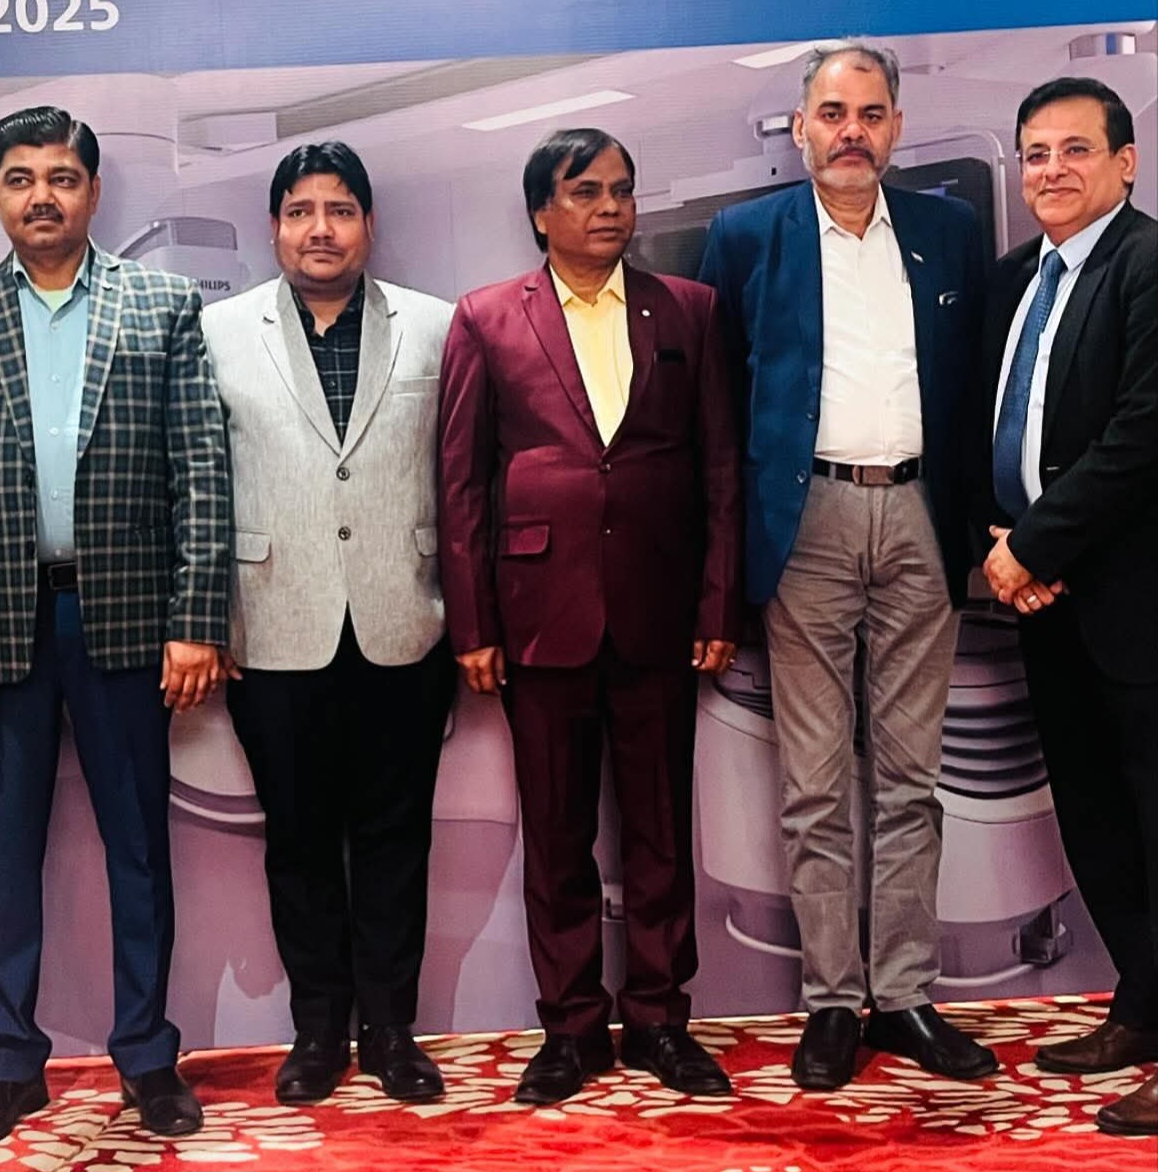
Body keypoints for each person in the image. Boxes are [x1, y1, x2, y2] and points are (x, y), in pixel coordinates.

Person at [0, 106, 229, 1153]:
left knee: (139, 847)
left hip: (129, 621)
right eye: (20, 178)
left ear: (92, 190)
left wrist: (196, 620)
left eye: (61, 177)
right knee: (4, 855)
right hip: (0, 632)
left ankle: (147, 1055)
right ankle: (9, 1062)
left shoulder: (162, 304)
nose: (41, 195)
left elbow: (200, 471)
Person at [698, 42, 996, 1089]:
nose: (852, 132)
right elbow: (717, 406)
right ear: (800, 126)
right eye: (833, 113)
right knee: (816, 784)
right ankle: (833, 1001)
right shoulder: (745, 238)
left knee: (912, 780)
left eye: (871, 114)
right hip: (805, 522)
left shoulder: (950, 234)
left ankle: (904, 996)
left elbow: (976, 389)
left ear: (897, 127)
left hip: (920, 514)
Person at [438, 127, 742, 1105]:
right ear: (541, 212)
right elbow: (462, 483)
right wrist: (474, 625)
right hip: (538, 614)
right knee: (558, 833)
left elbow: (720, 468)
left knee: (660, 829)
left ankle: (660, 1019)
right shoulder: (488, 317)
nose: (609, 208)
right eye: (585, 192)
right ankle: (570, 1027)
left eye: (621, 190)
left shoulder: (687, 309)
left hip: (661, 607)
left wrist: (717, 599)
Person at [203, 141, 455, 1105]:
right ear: (275, 226)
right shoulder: (219, 332)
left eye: (340, 210)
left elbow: (463, 477)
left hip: (404, 618)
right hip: (273, 623)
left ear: (369, 225)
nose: (321, 229)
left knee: (397, 840)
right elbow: (197, 484)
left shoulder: (435, 326)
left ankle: (391, 1032)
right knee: (299, 843)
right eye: (301, 210)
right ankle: (317, 1033)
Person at [973, 77, 1157, 1135]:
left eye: (1076, 149)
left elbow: (1143, 430)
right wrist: (1003, 549)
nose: (1051, 170)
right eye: (1035, 152)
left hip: (1135, 601)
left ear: (1125, 162)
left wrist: (1035, 546)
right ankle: (1144, 1006)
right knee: (1095, 819)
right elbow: (986, 427)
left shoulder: (1148, 264)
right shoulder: (1014, 280)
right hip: (1043, 603)